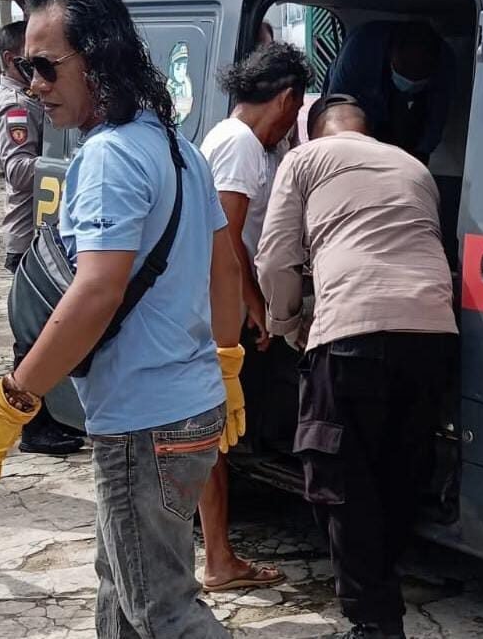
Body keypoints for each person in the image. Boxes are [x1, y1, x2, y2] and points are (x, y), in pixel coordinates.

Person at [0, 0, 246, 639]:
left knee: (161, 607)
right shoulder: (175, 147)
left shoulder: (111, 156)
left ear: (100, 57)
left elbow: (96, 292)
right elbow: (224, 269)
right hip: (187, 404)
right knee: (123, 586)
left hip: (144, 420)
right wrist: (225, 365)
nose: (34, 86)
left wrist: (14, 399)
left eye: (47, 68)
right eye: (26, 68)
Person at [255, 96, 458, 639]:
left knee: (339, 478)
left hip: (351, 332)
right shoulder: (414, 166)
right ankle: (382, 585)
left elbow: (275, 257)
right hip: (432, 333)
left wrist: (285, 324)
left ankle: (374, 621)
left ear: (314, 133)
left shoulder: (305, 159)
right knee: (398, 468)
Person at [197, 43, 309, 592]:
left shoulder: (229, 136)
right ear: (286, 98)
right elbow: (228, 236)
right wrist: (257, 307)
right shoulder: (240, 144)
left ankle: (214, 548)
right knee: (212, 429)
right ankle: (219, 557)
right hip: (222, 308)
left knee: (213, 426)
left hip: (218, 302)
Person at [0, 21, 85, 456]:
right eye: (32, 66)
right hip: (29, 232)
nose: (38, 82)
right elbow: (17, 169)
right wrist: (68, 166)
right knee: (32, 332)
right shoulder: (13, 104)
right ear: (13, 60)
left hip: (45, 231)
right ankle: (35, 425)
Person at [321, 20, 453, 162]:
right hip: (361, 103)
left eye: (419, 75)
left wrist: (419, 157)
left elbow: (436, 119)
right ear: (393, 52)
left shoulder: (444, 62)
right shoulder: (360, 49)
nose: (411, 81)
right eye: (406, 69)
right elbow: (335, 111)